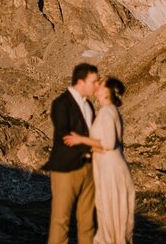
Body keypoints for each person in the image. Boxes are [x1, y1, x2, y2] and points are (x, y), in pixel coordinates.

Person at [64, 77, 135, 244]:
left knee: (111, 212)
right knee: (107, 213)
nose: (96, 86)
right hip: (106, 167)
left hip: (111, 169)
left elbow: (109, 143)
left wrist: (81, 140)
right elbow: (104, 146)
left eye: (100, 84)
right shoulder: (108, 111)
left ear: (107, 90)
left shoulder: (108, 111)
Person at [44, 63, 100, 244]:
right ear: (81, 82)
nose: (96, 85)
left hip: (89, 168)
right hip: (66, 169)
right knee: (61, 220)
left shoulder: (89, 105)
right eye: (94, 81)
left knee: (87, 221)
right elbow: (65, 136)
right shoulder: (61, 103)